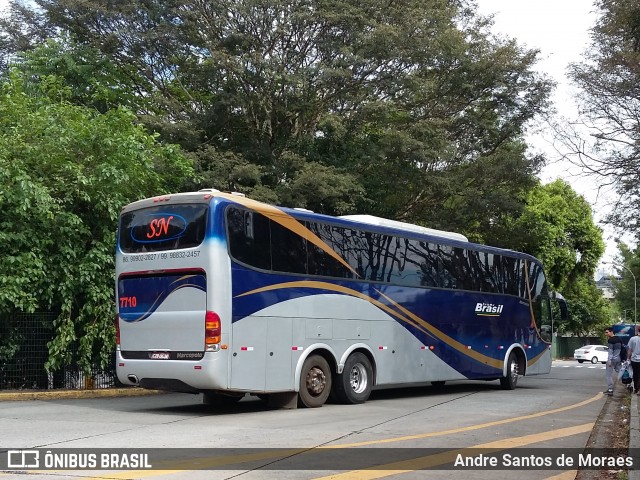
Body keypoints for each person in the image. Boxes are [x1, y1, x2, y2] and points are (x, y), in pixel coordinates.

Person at [604, 327, 624, 394]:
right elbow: (622, 349)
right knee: (621, 373)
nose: (605, 334)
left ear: (611, 332)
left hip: (612, 360)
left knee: (608, 375)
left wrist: (609, 360)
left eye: (607, 332)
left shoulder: (610, 340)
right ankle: (628, 383)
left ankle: (610, 390)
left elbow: (610, 351)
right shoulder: (619, 339)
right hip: (618, 359)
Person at [627, 326, 640, 394]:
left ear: (638, 331)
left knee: (635, 374)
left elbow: (630, 350)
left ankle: (637, 389)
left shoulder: (632, 339)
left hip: (634, 360)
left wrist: (628, 358)